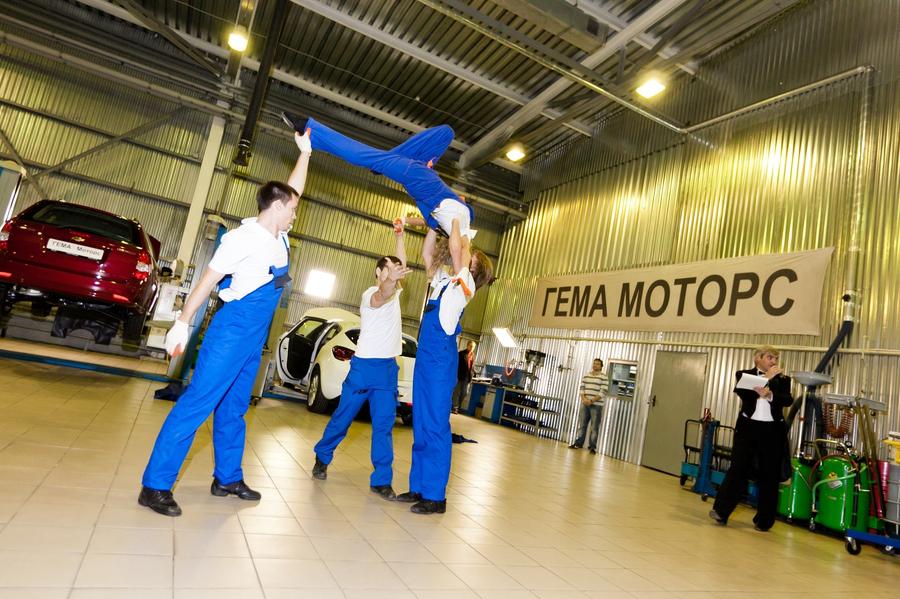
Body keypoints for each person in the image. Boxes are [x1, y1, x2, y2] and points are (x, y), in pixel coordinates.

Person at [138, 132, 312, 517]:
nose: (295, 214)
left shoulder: (279, 235)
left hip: (253, 337)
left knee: (234, 408)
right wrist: (183, 322)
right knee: (197, 403)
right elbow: (207, 281)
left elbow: (293, 190)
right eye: (292, 209)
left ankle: (227, 478)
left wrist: (305, 154)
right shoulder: (242, 238)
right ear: (277, 206)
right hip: (231, 332)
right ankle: (155, 485)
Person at [394, 225, 493, 514]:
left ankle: (435, 496)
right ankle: (419, 487)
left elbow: (457, 247)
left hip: (439, 363)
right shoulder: (444, 282)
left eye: (470, 256)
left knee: (436, 426)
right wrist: (431, 227)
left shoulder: (465, 284)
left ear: (472, 268)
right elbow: (428, 254)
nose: (463, 253)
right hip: (426, 360)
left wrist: (457, 221)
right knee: (421, 423)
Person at [309, 224, 411, 500]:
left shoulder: (396, 291)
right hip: (363, 369)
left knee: (384, 426)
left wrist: (400, 237)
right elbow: (382, 295)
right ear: (378, 273)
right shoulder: (370, 294)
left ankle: (381, 480)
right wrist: (389, 281)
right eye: (388, 270)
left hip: (387, 370)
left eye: (396, 271)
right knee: (343, 418)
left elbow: (398, 272)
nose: (393, 274)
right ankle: (322, 456)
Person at [281, 113, 476, 254]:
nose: (461, 198)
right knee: (447, 133)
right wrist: (405, 220)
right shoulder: (443, 220)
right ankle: (390, 158)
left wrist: (463, 272)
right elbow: (427, 222)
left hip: (418, 177)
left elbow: (457, 249)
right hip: (421, 173)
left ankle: (311, 130)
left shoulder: (459, 228)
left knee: (364, 156)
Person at [709, 345, 793, 531]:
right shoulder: (743, 375)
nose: (774, 361)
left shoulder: (783, 379)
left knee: (769, 474)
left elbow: (788, 400)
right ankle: (721, 511)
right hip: (748, 429)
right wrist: (766, 378)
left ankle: (764, 521)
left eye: (776, 358)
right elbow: (744, 394)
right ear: (758, 358)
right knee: (737, 469)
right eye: (770, 357)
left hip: (772, 431)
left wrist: (770, 394)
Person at [568, 358, 608, 454]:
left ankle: (592, 447)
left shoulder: (604, 377)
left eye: (597, 364)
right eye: (594, 363)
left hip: (597, 405)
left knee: (594, 427)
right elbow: (582, 388)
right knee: (582, 425)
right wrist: (584, 399)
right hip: (585, 404)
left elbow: (603, 392)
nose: (595, 365)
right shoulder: (586, 376)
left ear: (601, 366)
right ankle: (578, 443)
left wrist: (591, 401)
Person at [452, 340, 476, 414]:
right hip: (459, 376)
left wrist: (473, 374)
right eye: (470, 346)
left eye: (473, 347)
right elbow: (456, 365)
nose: (472, 348)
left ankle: (457, 405)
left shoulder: (473, 355)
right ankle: (455, 407)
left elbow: (471, 366)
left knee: (464, 393)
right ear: (467, 346)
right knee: (456, 392)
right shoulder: (461, 354)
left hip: (467, 377)